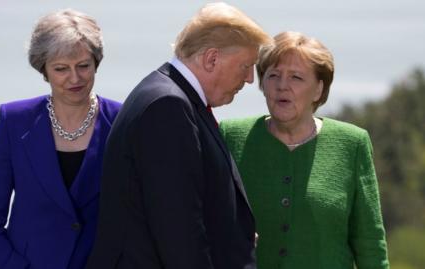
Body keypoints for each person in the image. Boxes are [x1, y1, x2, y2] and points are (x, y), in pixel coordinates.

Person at [85, 3, 269, 269]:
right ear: (212, 59)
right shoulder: (167, 106)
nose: (250, 79)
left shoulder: (172, 97)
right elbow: (179, 229)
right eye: (245, 65)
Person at [219, 31, 390, 269]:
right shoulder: (231, 136)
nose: (282, 86)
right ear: (262, 84)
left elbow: (369, 243)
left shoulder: (352, 143)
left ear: (319, 90)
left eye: (296, 78)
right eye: (273, 75)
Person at [0, 9, 121, 269]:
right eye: (61, 69)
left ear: (96, 62)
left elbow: (143, 214)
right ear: (44, 69)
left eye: (83, 66)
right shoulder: (14, 121)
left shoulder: (123, 120)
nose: (74, 78)